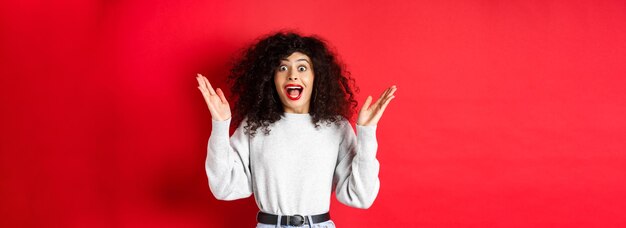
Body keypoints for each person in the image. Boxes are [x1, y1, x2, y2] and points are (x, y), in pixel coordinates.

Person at [196, 31, 397, 228]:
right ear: (271, 78)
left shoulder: (337, 127)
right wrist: (220, 126)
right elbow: (224, 187)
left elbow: (360, 197)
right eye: (282, 67)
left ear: (315, 76)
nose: (292, 75)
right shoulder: (254, 127)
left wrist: (367, 134)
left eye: (302, 68)